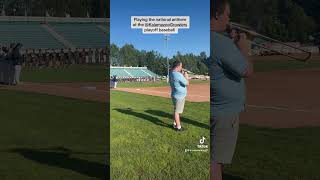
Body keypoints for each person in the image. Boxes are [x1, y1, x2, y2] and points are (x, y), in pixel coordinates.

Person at [209, 0, 253, 179]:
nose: (229, 19)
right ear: (217, 15)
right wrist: (245, 48)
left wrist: (233, 45)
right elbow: (247, 71)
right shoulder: (221, 43)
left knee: (209, 156)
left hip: (209, 106)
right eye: (227, 14)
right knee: (214, 161)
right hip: (223, 113)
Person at [169, 60, 189, 132]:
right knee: (177, 112)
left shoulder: (171, 72)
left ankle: (174, 123)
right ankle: (178, 127)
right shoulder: (178, 75)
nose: (182, 67)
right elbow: (187, 83)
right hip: (179, 96)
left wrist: (181, 73)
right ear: (177, 66)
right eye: (181, 66)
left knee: (175, 110)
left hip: (175, 94)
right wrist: (186, 75)